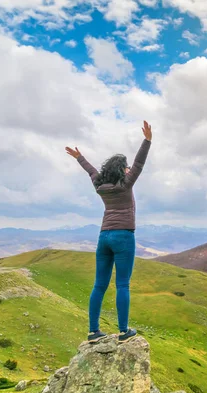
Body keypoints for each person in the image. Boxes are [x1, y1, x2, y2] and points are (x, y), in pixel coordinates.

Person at [65, 121, 152, 343]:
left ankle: (93, 331)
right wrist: (147, 140)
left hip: (104, 236)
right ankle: (124, 331)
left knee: (99, 285)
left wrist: (79, 158)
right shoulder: (126, 184)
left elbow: (92, 171)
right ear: (122, 169)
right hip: (123, 236)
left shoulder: (99, 186)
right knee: (122, 284)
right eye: (126, 167)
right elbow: (139, 163)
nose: (129, 169)